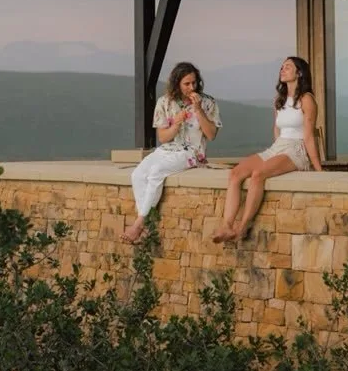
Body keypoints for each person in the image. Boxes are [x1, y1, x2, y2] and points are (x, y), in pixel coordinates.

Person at [212, 55, 321, 243]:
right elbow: (277, 129)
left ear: (299, 73)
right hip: (278, 147)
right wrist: (273, 154)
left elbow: (309, 136)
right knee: (236, 173)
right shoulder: (279, 100)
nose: (283, 69)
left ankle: (243, 226)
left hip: (296, 149)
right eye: (282, 67)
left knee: (258, 174)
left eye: (288, 67)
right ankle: (227, 226)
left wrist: (318, 168)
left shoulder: (307, 100)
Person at [122, 61, 221, 243]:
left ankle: (138, 224)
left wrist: (198, 110)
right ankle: (145, 223)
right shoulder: (164, 102)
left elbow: (211, 135)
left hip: (192, 153)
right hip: (167, 150)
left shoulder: (208, 103)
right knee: (137, 175)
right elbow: (163, 138)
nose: (192, 87)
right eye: (187, 84)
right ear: (177, 84)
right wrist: (175, 123)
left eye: (194, 82)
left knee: (156, 172)